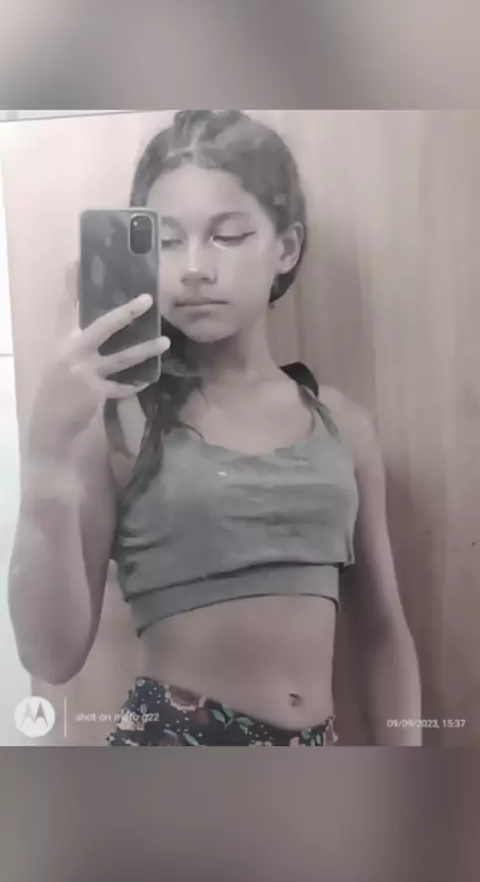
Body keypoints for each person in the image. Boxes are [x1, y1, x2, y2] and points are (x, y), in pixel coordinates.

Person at [8, 109, 422, 746]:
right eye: (169, 241)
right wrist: (46, 459)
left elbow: (383, 632)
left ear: (286, 247)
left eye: (227, 236)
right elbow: (50, 657)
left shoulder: (342, 425)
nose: (195, 267)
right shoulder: (122, 420)